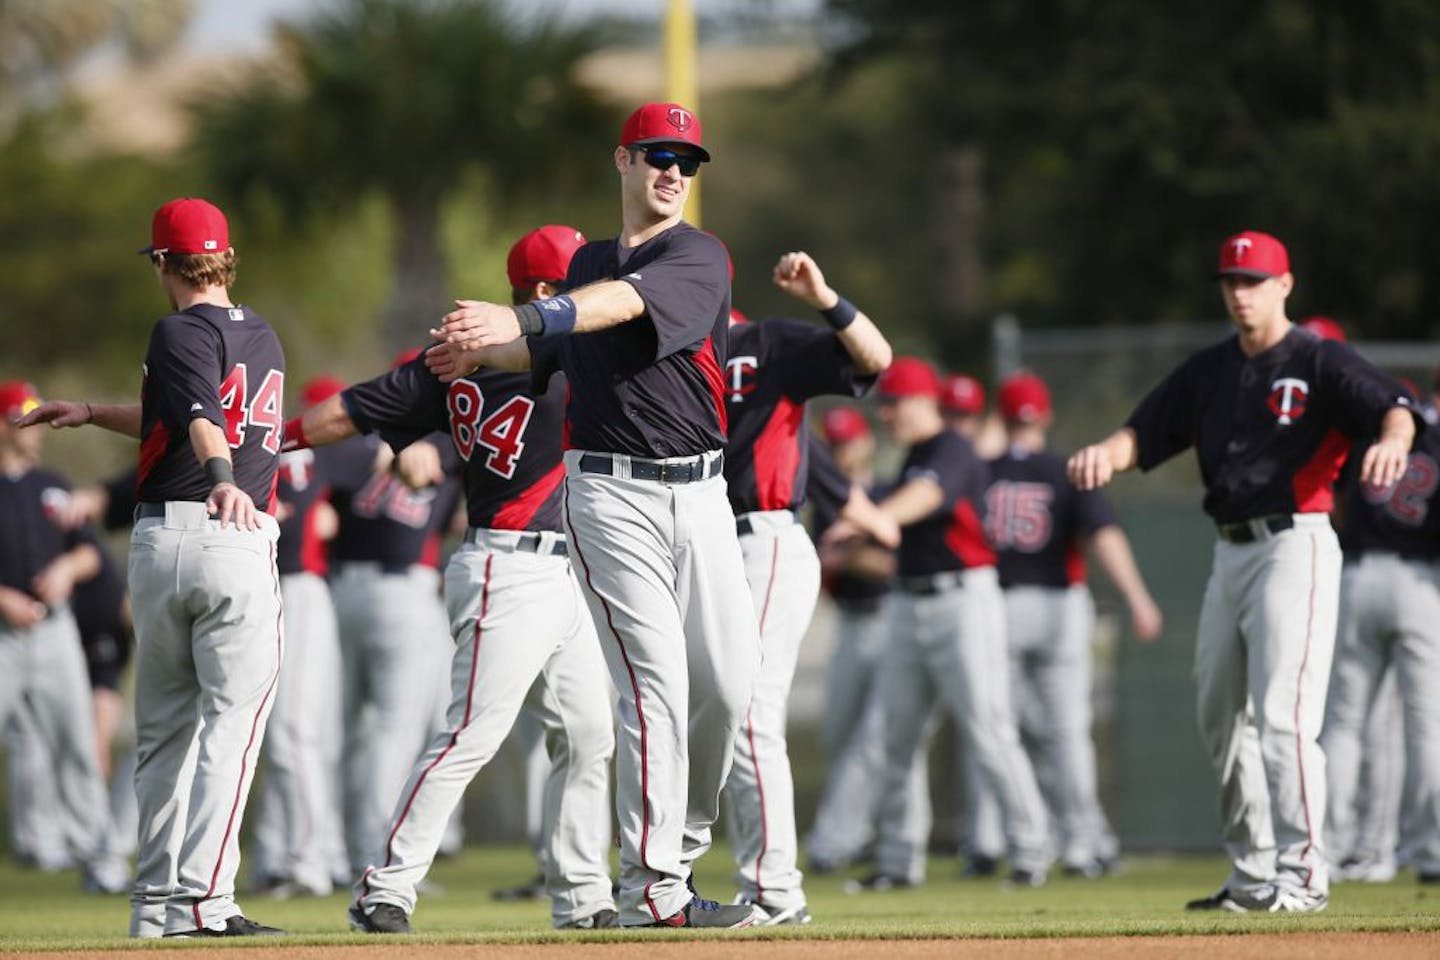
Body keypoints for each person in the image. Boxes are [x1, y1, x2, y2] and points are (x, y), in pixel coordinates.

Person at [425, 102, 763, 929]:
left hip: (703, 492)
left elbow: (618, 306)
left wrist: (525, 314)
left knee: (726, 688)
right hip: (609, 494)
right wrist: (477, 350)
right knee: (652, 686)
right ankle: (652, 889)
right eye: (657, 154)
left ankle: (672, 856)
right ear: (623, 160)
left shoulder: (697, 254)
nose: (674, 171)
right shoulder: (587, 266)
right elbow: (545, 350)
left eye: (686, 158)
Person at [1066, 229, 1418, 913]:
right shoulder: (1210, 370)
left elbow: (1393, 408)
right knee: (1218, 714)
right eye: (1231, 280)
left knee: (1284, 716)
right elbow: (1144, 432)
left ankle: (1305, 874)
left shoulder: (1319, 360)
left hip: (1296, 544)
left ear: (1285, 286)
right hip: (1230, 551)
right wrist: (1103, 455)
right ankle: (1254, 873)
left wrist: (1395, 440)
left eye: (1253, 280)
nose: (1240, 292)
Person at [289, 225, 618, 933]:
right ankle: (385, 886)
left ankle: (585, 895)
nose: (583, 294)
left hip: (562, 570)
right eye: (572, 280)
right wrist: (266, 444)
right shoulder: (555, 353)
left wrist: (281, 437)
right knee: (470, 732)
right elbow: (354, 409)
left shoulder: (453, 364)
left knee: (590, 733)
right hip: (509, 562)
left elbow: (351, 409)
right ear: (538, 292)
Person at [22, 197, 288, 936]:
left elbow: (198, 416)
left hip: (164, 539)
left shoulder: (176, 329)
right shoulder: (263, 336)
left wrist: (219, 471)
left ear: (165, 263)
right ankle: (205, 902)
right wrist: (92, 410)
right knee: (229, 726)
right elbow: (195, 413)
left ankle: (158, 908)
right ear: (225, 257)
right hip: (231, 537)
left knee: (165, 732)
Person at [718, 252, 894, 925]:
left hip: (761, 537)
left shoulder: (763, 343)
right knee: (702, 715)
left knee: (749, 713)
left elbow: (874, 360)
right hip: (703, 545)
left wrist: (824, 296)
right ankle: (683, 879)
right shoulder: (665, 358)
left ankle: (774, 890)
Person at [842, 357, 1052, 892]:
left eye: (893, 403)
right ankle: (897, 861)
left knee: (988, 728)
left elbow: (928, 496)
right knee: (896, 738)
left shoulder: (952, 446)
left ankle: (1030, 852)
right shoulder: (914, 454)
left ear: (922, 401)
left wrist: (877, 517)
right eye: (883, 404)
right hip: (909, 603)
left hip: (965, 599)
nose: (885, 414)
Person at [977, 371, 1163, 877]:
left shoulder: (982, 471)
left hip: (998, 607)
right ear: (1047, 415)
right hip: (1059, 605)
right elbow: (1103, 536)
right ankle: (1084, 844)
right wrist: (1138, 598)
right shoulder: (1064, 470)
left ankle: (1028, 839)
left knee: (1007, 734)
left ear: (1000, 415)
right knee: (1068, 734)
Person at [320, 358, 463, 881]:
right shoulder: (451, 438)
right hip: (403, 592)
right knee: (394, 730)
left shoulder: (355, 441)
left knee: (341, 727)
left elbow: (311, 489)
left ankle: (326, 852)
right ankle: (373, 858)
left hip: (340, 591)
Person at [804, 409, 932, 875]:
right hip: (850, 624)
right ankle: (857, 836)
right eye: (833, 443)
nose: (841, 451)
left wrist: (848, 555)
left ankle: (838, 842)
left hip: (890, 620)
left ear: (865, 444)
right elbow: (823, 566)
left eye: (848, 441)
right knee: (838, 734)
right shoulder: (826, 501)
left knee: (877, 740)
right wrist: (853, 554)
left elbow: (892, 565)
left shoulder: (885, 493)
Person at [1322, 395, 1440, 886]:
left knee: (1345, 724)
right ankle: (1431, 853)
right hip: (1419, 581)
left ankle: (1326, 850)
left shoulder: (1379, 429)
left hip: (1359, 573)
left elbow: (1338, 507)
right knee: (1425, 725)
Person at [0, 381, 113, 887]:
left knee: (76, 744)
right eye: (26, 418)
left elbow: (90, 552)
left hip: (53, 632)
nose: (37, 429)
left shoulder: (53, 484)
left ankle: (99, 858)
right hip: (2, 634)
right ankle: (43, 845)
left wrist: (67, 568)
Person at [247, 374, 347, 898]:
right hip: (281, 590)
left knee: (293, 733)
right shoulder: (298, 450)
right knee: (288, 735)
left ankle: (310, 860)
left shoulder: (288, 449)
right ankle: (290, 854)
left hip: (300, 591)